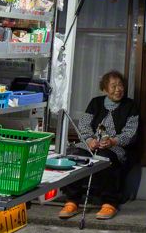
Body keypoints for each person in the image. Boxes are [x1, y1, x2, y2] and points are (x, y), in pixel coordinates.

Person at [58, 70, 139, 221]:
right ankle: (72, 200)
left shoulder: (130, 106)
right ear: (104, 89)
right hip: (91, 143)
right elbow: (84, 125)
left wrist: (113, 141)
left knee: (105, 158)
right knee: (75, 155)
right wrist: (89, 140)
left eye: (120, 85)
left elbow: (130, 133)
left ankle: (109, 202)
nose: (118, 89)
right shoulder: (95, 103)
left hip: (115, 146)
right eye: (113, 86)